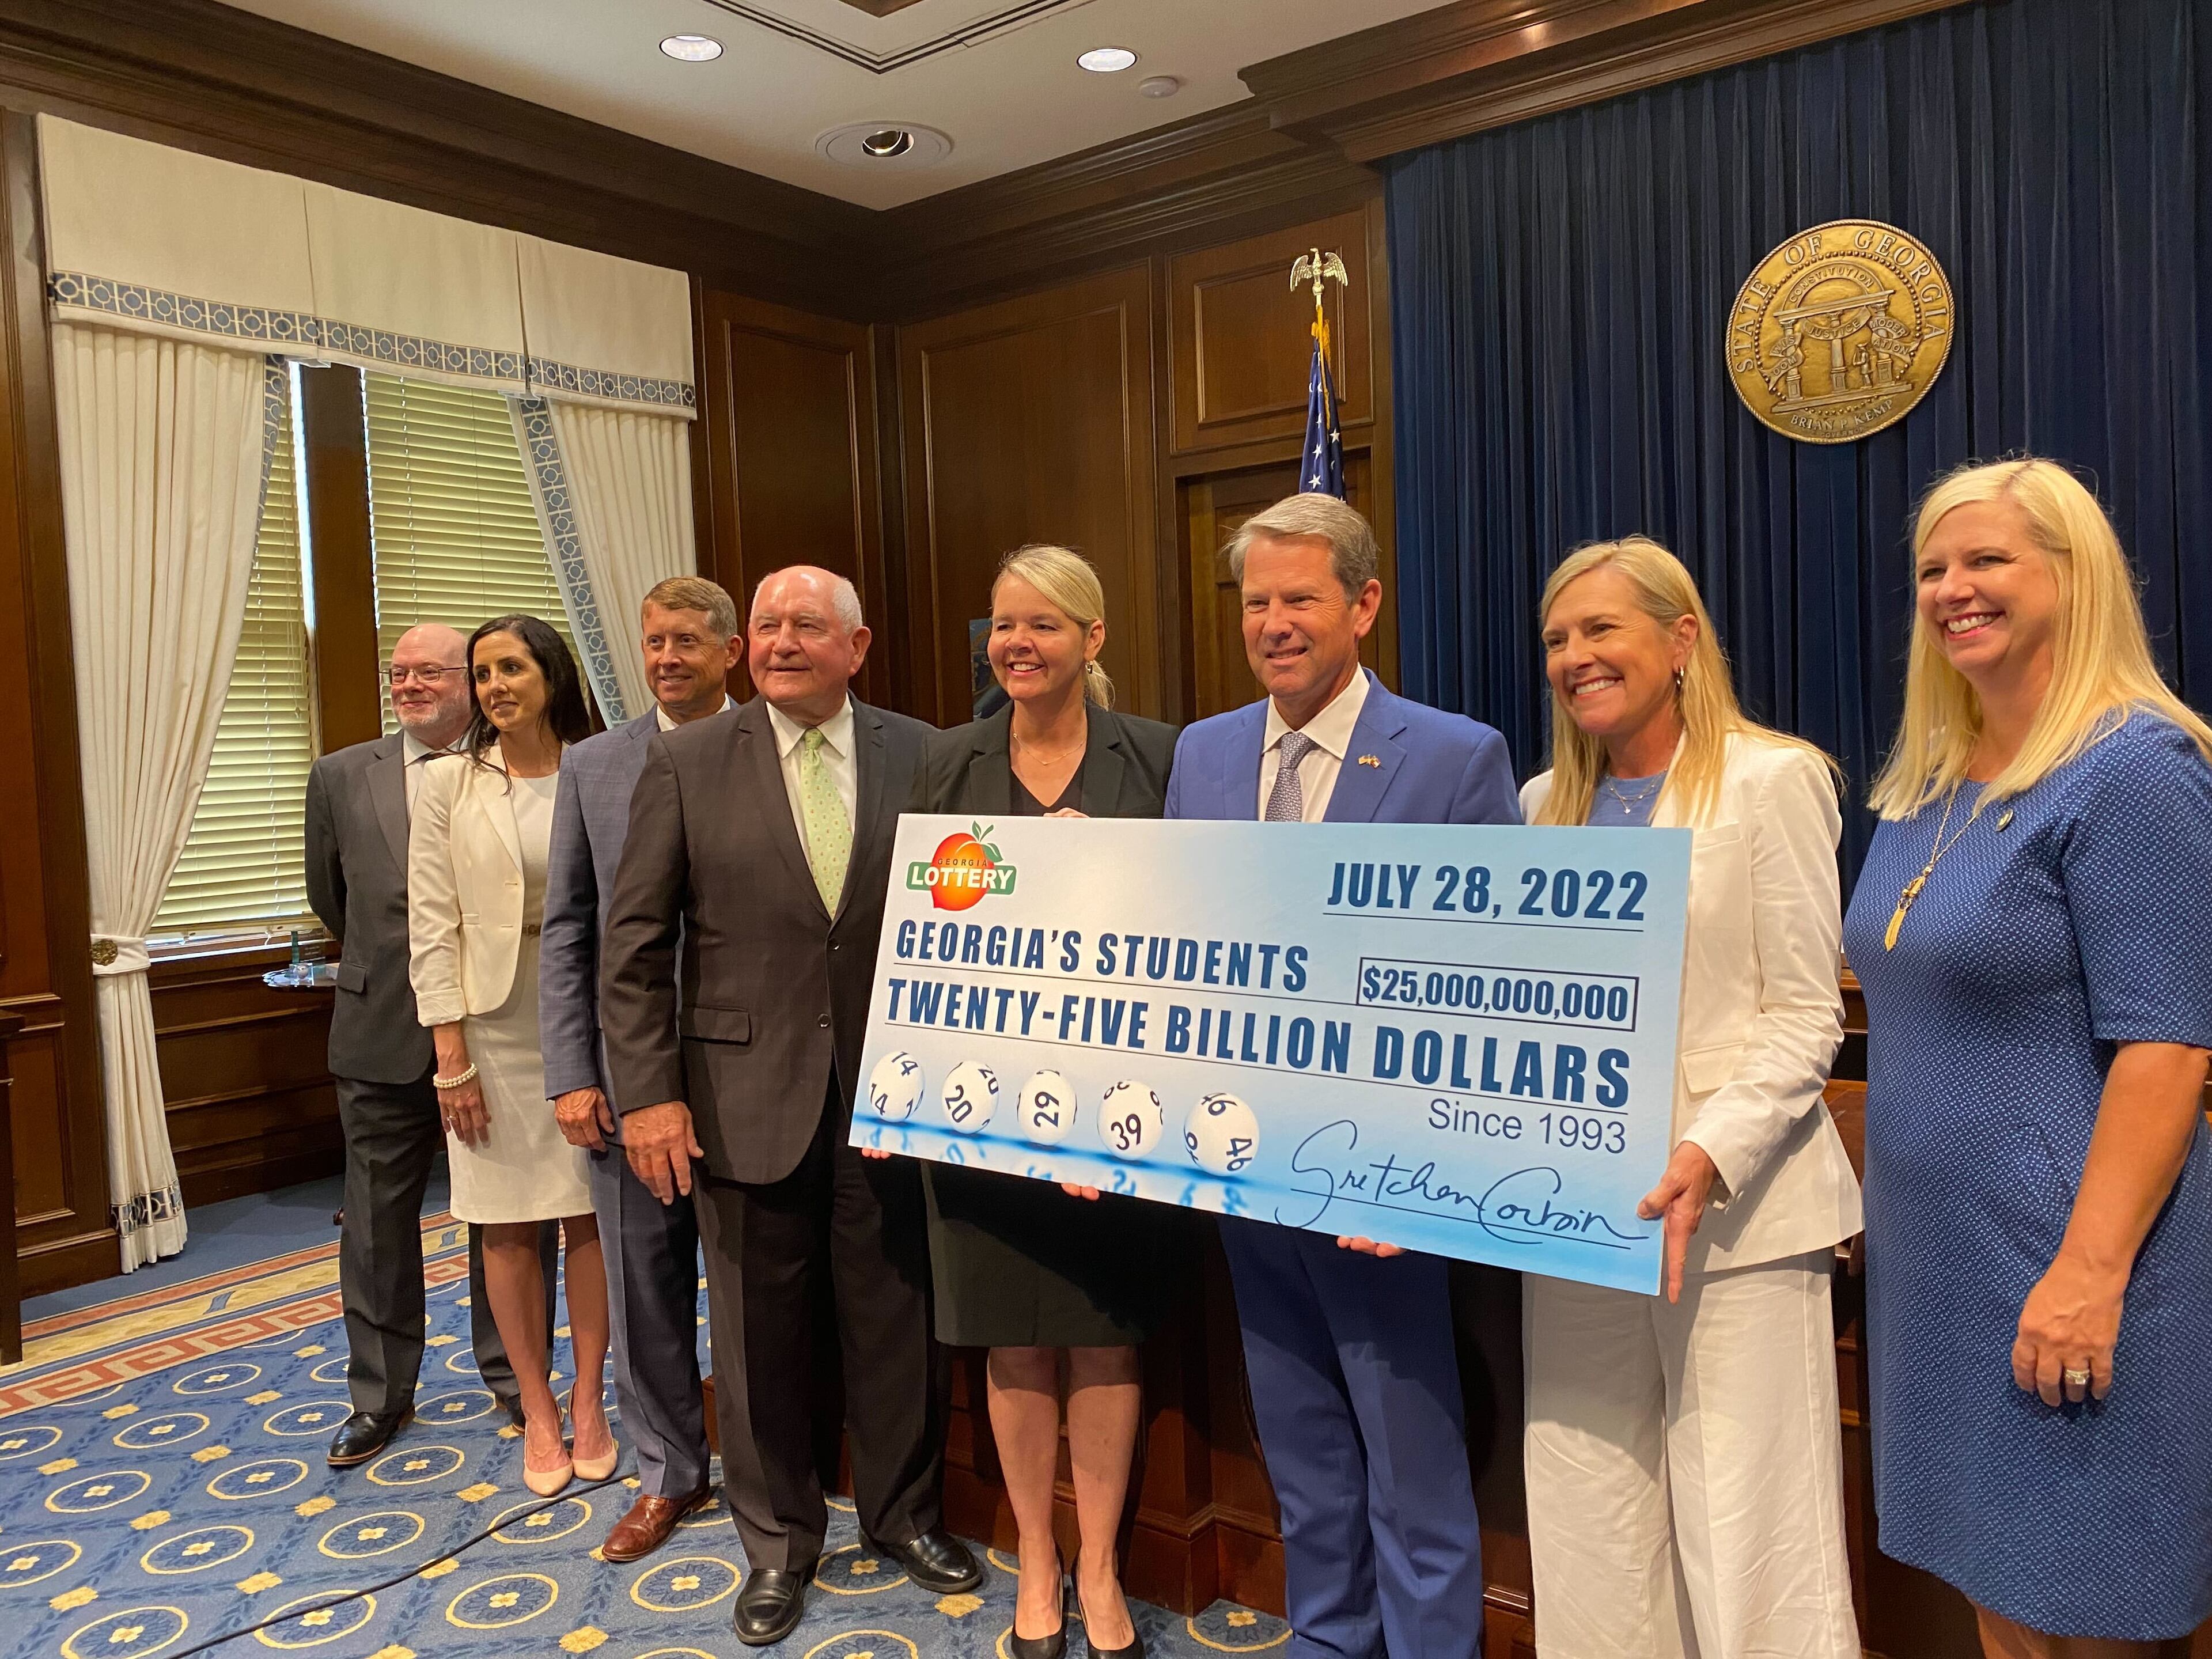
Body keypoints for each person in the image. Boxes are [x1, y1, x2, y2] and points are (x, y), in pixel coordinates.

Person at [1844, 459, 2212, 1657]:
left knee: (2093, 1607)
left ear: (2073, 573)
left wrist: (2088, 1275)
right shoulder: (1923, 785)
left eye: (1987, 560)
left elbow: (2168, 1047)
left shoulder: (2133, 769)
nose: (1953, 588)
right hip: (1938, 1266)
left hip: (2071, 1263)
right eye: (1933, 569)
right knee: (1997, 1601)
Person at [601, 566, 981, 1647]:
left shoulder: (927, 753)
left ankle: (904, 1517)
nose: (779, 642)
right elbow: (634, 947)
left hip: (895, 1094)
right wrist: (649, 1098)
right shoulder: (685, 761)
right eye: (766, 625)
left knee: (896, 1320)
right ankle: (777, 1545)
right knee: (758, 1339)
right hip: (739, 1100)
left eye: (806, 626)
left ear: (856, 647)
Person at [1164, 493, 1516, 1659]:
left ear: (1363, 605)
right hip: (1242, 1167)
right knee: (1301, 1445)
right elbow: (1179, 946)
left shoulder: (1457, 757)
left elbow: (1489, 981)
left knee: (1412, 1466)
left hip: (1385, 1188)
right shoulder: (1204, 753)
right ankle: (1328, 1640)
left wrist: (1419, 1168)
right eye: (1256, 601)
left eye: (1300, 599)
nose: (1273, 623)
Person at [1520, 537, 1862, 1658]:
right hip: (1577, 1212)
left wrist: (1709, 1151)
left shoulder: (1774, 780)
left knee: (1753, 1523)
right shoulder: (1542, 806)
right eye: (1558, 639)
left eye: (1600, 629)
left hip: (1734, 1213)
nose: (1576, 656)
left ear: (1680, 641)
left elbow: (1804, 1014)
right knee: (1587, 1505)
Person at [907, 546, 1178, 1659]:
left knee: (1102, 1341)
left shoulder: (1160, 758)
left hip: (1119, 1116)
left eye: (1044, 624)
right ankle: (1037, 1557)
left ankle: (1101, 1565)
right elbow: (913, 938)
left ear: (1092, 638)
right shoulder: (946, 763)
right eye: (1003, 624)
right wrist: (901, 1088)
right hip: (980, 1116)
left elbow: (1198, 927)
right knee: (1011, 1342)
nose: (1017, 644)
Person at [304, 622, 554, 1467]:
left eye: (431, 673)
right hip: (381, 1028)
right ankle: (379, 1396)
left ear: (473, 683)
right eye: (398, 673)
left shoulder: (519, 766)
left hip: (500, 1027)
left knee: (510, 1214)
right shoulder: (342, 775)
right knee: (377, 1222)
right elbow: (333, 897)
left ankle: (516, 1378)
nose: (408, 685)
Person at [539, 577, 739, 1560]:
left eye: (687, 642)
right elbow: (568, 928)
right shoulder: (595, 764)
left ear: (730, 653)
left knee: (751, 1287)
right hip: (624, 1077)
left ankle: (769, 1459)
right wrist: (572, 1070)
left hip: (752, 1073)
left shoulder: (773, 750)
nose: (666, 658)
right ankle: (668, 1473)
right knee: (644, 1282)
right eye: (654, 641)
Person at [408, 614, 605, 1498]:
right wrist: (448, 1051)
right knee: (506, 1219)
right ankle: (537, 1404)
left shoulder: (602, 767)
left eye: (512, 668)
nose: (495, 687)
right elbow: (430, 921)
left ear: (552, 676)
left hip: (589, 1019)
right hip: (489, 1026)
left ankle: (592, 1399)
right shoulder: (447, 784)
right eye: (484, 673)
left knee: (590, 1212)